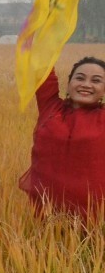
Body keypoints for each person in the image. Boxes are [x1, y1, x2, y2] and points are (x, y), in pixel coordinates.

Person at [18, 55, 105, 219]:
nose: (86, 85)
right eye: (80, 78)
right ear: (69, 83)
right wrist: (41, 31)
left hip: (94, 216)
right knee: (42, 243)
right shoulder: (50, 107)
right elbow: (41, 64)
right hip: (45, 212)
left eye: (96, 80)